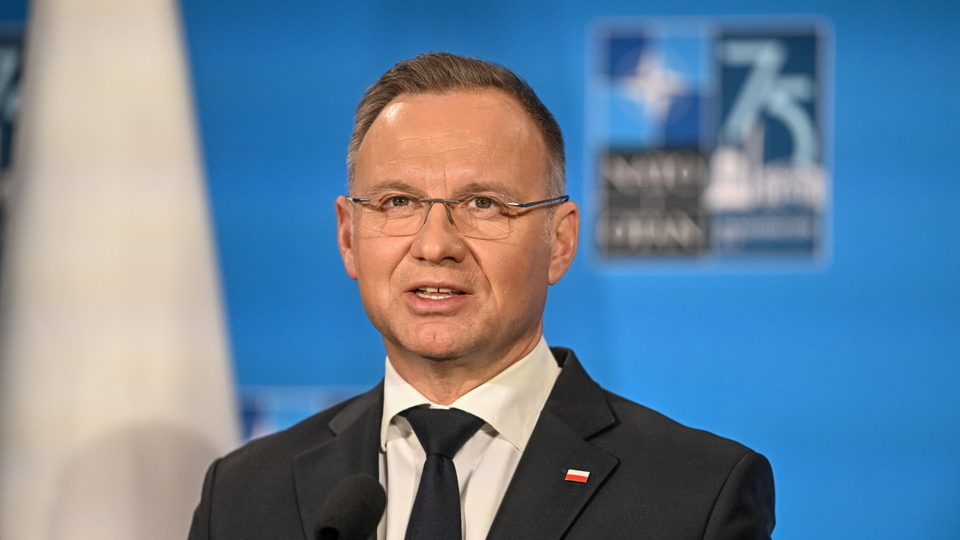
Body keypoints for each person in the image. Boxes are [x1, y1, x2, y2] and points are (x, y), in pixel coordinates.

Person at [188, 52, 775, 540]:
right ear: (348, 237)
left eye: (483, 204)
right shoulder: (242, 496)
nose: (435, 245)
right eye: (398, 202)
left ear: (560, 241)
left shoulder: (695, 493)